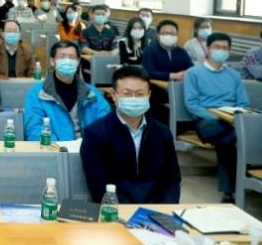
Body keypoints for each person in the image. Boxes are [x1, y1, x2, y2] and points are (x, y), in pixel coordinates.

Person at [80, 66, 181, 203]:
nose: (134, 99)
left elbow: (172, 179)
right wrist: (129, 211)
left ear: (149, 95)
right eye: (127, 94)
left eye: (140, 94)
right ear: (113, 95)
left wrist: (165, 208)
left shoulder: (162, 132)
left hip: (157, 209)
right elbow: (98, 184)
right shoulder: (95, 133)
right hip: (115, 208)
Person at [184, 33, 249, 203]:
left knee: (227, 139)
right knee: (231, 134)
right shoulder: (193, 73)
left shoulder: (234, 75)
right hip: (206, 122)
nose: (221, 50)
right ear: (208, 49)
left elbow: (243, 102)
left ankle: (228, 192)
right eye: (216, 47)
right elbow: (192, 105)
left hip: (231, 123)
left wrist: (231, 117)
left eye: (225, 48)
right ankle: (237, 183)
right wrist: (220, 117)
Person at [23, 41, 111, 141]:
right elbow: (34, 129)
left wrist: (89, 144)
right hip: (54, 148)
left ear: (78, 62)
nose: (67, 61)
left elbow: (106, 124)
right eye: (62, 57)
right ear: (52, 61)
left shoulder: (92, 94)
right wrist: (60, 147)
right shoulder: (37, 94)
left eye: (72, 57)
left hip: (88, 147)